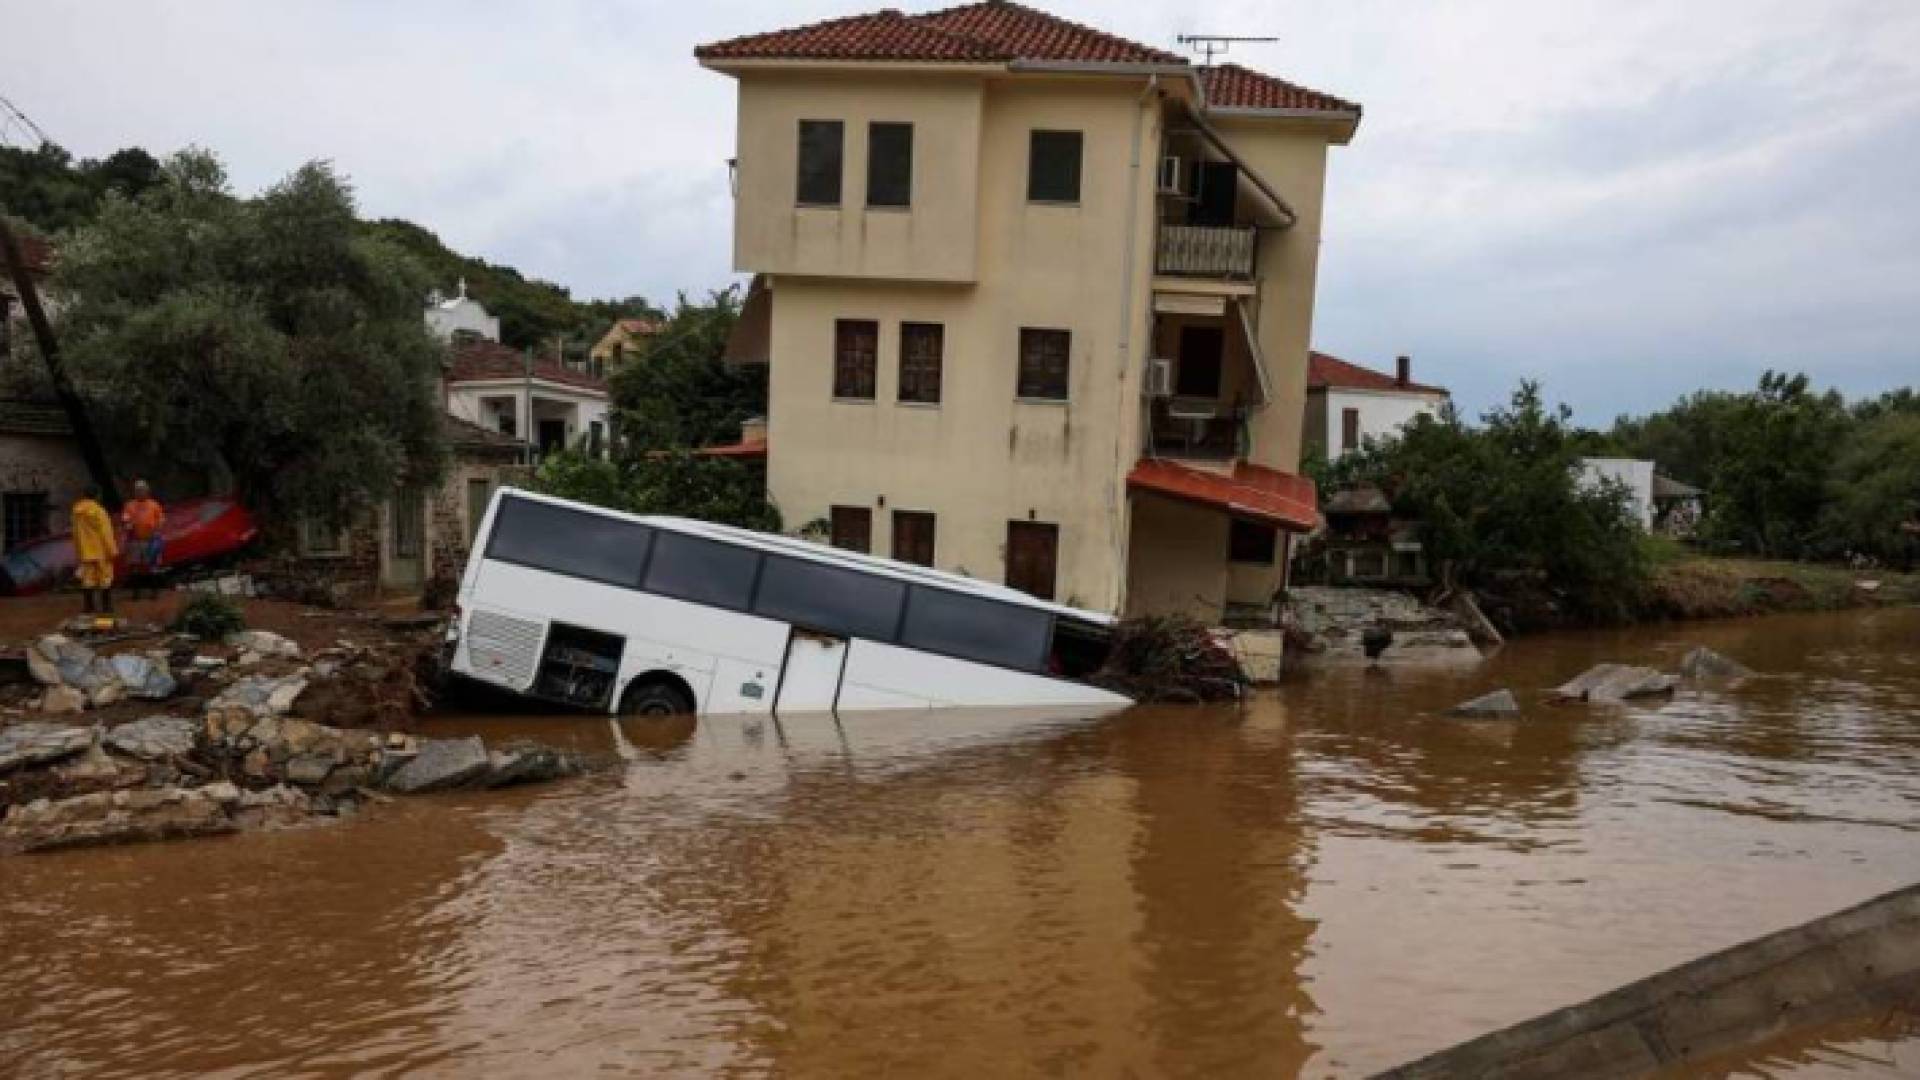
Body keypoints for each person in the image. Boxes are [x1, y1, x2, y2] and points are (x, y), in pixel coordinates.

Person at [71, 486, 118, 614]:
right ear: (97, 495)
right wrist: (112, 550)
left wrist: (79, 550)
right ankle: (106, 607)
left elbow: (75, 533)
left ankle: (88, 607)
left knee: (87, 579)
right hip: (100, 550)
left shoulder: (76, 512)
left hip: (85, 551)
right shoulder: (99, 511)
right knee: (105, 578)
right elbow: (106, 532)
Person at [121, 479, 166, 599]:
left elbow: (161, 519)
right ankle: (136, 594)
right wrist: (127, 524)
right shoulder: (129, 505)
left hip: (151, 540)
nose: (140, 492)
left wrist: (157, 527)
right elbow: (125, 519)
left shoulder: (154, 504)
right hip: (134, 540)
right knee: (134, 566)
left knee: (153, 566)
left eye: (142, 490)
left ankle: (154, 593)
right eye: (138, 490)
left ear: (147, 491)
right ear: (134, 492)